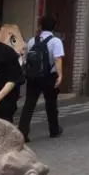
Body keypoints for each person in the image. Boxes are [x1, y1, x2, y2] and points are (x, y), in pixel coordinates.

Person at [17, 13, 65, 141]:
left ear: (41, 26)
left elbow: (26, 57)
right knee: (51, 104)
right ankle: (54, 130)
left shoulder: (33, 40)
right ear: (54, 26)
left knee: (29, 104)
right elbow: (57, 59)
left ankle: (23, 132)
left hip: (33, 77)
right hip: (49, 76)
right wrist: (60, 75)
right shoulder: (56, 41)